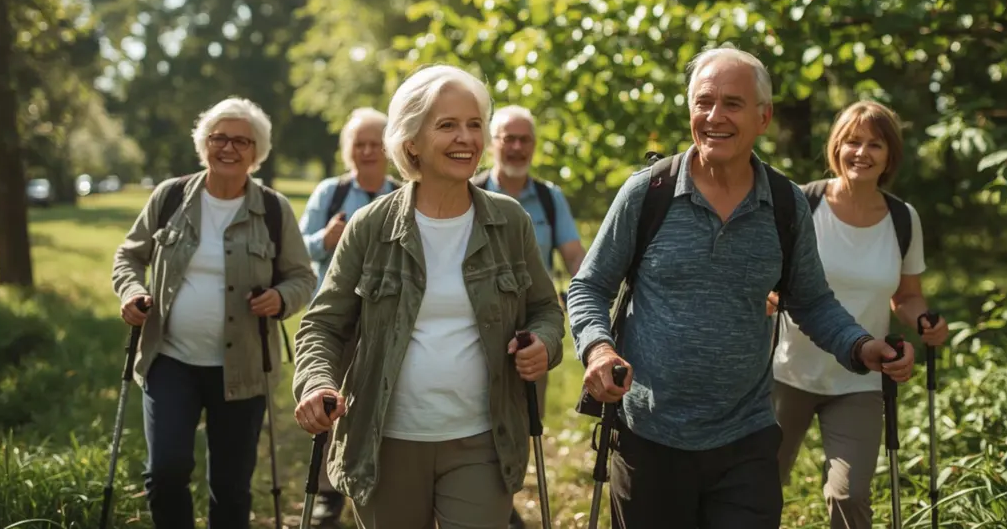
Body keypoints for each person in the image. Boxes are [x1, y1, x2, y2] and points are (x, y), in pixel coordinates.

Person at [565, 46, 915, 528]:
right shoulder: (649, 193)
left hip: (746, 439)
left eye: (732, 103)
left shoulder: (787, 206)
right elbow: (588, 286)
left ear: (763, 117)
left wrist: (860, 346)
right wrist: (598, 351)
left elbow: (810, 299)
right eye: (703, 102)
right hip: (649, 433)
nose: (714, 116)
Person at [291, 64, 566, 529]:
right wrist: (316, 382)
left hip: (484, 439)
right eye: (448, 125)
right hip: (385, 443)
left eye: (475, 124)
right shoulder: (371, 227)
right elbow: (322, 324)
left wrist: (544, 343)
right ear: (411, 141)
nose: (467, 138)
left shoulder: (509, 221)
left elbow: (544, 309)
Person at [111, 96, 316, 528]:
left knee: (231, 485)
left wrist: (280, 299)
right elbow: (129, 256)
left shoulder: (274, 211)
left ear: (256, 152)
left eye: (241, 141)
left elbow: (302, 278)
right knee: (165, 470)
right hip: (169, 360)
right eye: (218, 137)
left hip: (243, 370)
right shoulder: (170, 197)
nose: (228, 148)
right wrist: (131, 292)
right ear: (203, 143)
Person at [770, 101, 949, 529]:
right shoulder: (802, 204)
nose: (861, 152)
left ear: (890, 156)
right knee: (760, 488)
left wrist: (927, 321)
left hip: (861, 379)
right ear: (837, 146)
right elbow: (769, 283)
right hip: (785, 373)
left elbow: (906, 297)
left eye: (875, 144)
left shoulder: (903, 219)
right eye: (852, 141)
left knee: (849, 496)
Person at [474, 104, 585, 527]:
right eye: (508, 138)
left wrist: (592, 293)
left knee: (522, 425)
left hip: (530, 335)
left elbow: (575, 256)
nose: (517, 147)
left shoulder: (550, 200)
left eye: (525, 139)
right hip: (479, 331)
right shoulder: (470, 191)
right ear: (493, 143)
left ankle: (502, 504)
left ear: (534, 146)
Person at [296, 107, 401, 526]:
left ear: (389, 148)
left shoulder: (404, 192)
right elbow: (299, 247)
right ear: (348, 151)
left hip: (388, 319)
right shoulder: (331, 194)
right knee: (328, 402)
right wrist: (326, 239)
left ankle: (382, 481)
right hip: (338, 319)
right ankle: (327, 492)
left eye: (376, 143)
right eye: (360, 143)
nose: (368, 150)